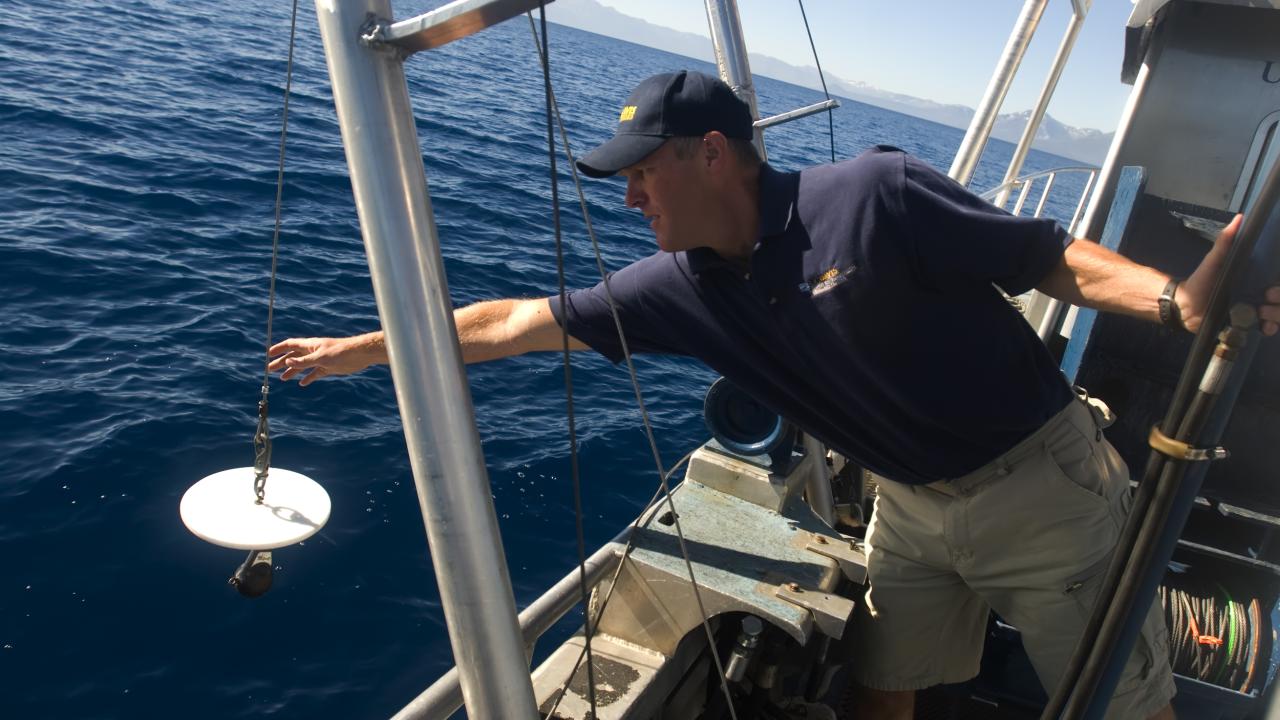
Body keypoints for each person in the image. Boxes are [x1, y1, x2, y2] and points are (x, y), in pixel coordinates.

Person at [268, 70, 1280, 718]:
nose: (629, 197)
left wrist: (1171, 302)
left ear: (711, 154)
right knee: (880, 684)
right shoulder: (676, 288)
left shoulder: (874, 195)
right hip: (909, 505)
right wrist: (363, 351)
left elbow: (1045, 257)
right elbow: (512, 323)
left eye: (641, 173)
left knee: (1115, 700)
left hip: (1039, 489)